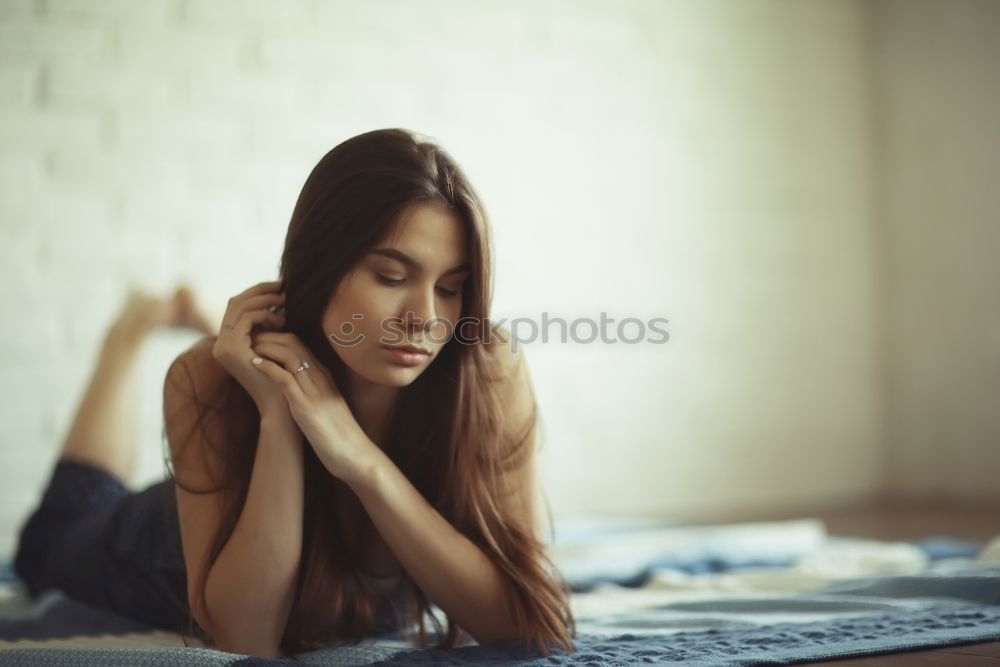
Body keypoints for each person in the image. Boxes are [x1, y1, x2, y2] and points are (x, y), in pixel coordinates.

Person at [14, 128, 576, 659]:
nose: (426, 320)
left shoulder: (484, 367)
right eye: (390, 277)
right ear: (318, 267)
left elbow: (532, 623)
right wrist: (278, 410)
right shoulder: (207, 376)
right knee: (63, 521)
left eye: (451, 288)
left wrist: (359, 459)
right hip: (137, 549)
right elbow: (248, 638)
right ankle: (130, 331)